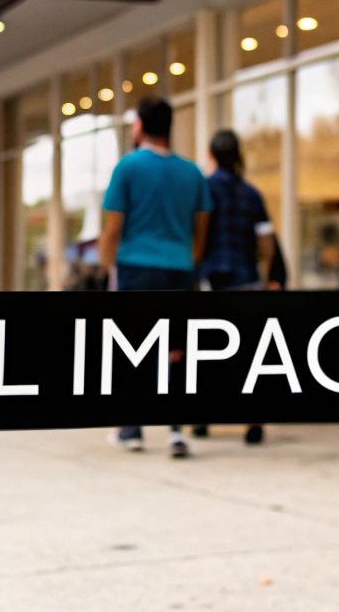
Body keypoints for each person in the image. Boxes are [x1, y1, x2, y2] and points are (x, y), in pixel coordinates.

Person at [98, 97, 211, 458]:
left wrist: (105, 266)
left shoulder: (128, 167)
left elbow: (113, 227)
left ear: (141, 126)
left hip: (136, 268)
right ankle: (176, 431)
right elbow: (201, 228)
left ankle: (132, 428)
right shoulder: (191, 172)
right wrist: (187, 262)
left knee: (133, 346)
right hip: (179, 269)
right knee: (175, 350)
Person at [192, 129, 276, 446]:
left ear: (212, 155)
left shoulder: (205, 190)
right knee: (248, 353)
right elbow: (266, 241)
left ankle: (203, 417)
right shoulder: (251, 194)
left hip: (213, 277)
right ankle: (253, 419)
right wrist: (266, 275)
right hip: (246, 278)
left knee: (209, 351)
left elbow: (197, 234)